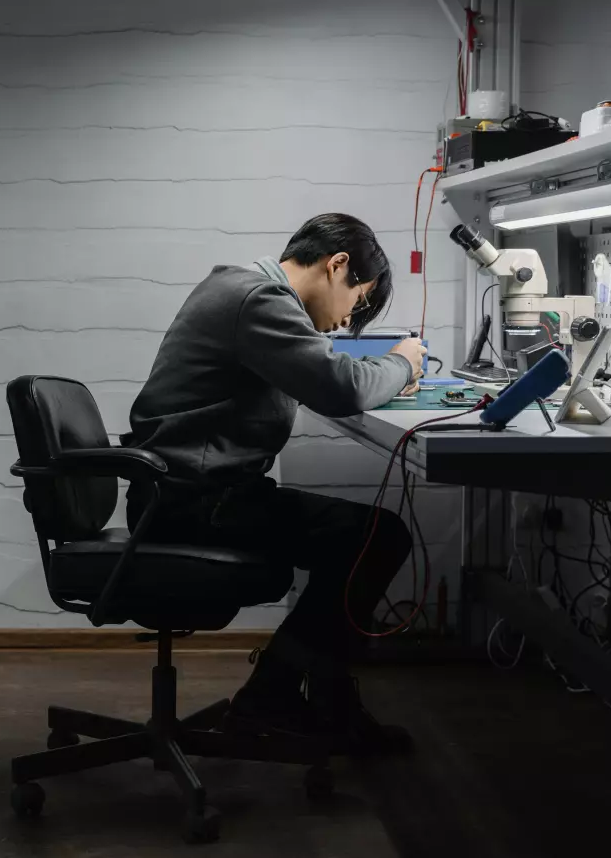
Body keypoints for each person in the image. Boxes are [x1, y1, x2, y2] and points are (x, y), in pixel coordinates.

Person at [121, 213, 425, 756]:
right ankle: (278, 695)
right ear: (338, 267)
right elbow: (339, 387)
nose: (343, 321)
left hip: (186, 492)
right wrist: (403, 362)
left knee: (363, 537)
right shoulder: (259, 299)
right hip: (199, 500)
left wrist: (368, 374)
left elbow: (327, 375)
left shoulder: (241, 289)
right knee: (379, 537)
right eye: (355, 303)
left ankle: (321, 701)